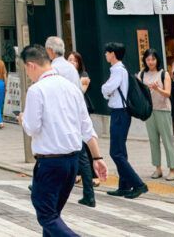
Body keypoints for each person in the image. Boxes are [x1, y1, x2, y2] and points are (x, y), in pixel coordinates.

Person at [19, 44, 109, 237]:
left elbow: (32, 127)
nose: (27, 74)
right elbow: (87, 127)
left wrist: (22, 120)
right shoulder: (73, 88)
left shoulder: (37, 90)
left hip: (50, 162)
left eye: (26, 69)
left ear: (31, 65)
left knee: (46, 216)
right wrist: (97, 157)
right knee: (53, 215)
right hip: (71, 162)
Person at [100, 41, 146, 198]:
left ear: (112, 54)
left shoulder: (118, 70)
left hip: (120, 113)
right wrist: (108, 91)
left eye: (107, 52)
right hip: (121, 113)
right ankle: (124, 186)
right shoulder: (120, 69)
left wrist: (105, 90)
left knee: (116, 152)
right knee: (120, 151)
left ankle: (138, 184)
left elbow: (106, 88)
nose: (105, 54)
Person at [65, 50, 96, 206]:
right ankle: (88, 194)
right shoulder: (67, 77)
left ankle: (89, 193)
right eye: (69, 60)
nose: (71, 62)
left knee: (81, 153)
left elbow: (79, 94)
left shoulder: (83, 76)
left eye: (74, 60)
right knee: (78, 154)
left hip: (78, 116)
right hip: (72, 117)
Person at [141, 49, 174, 181]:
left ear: (157, 60)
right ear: (145, 60)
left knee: (167, 140)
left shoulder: (164, 74)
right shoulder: (142, 74)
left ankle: (172, 169)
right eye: (148, 59)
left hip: (163, 109)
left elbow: (168, 93)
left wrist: (157, 89)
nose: (150, 62)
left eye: (153, 59)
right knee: (153, 140)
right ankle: (157, 168)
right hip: (150, 111)